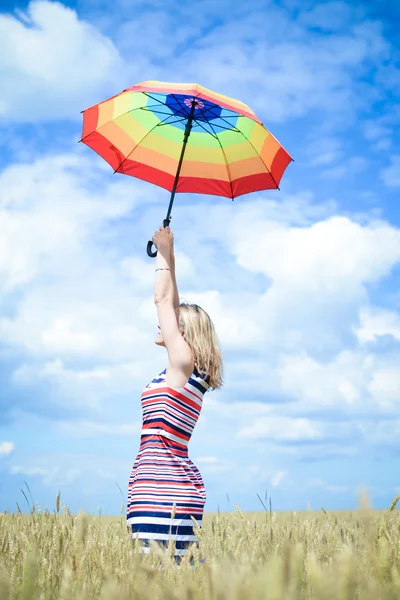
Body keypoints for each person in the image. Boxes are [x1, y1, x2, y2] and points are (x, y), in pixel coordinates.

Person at [127, 225, 223, 564]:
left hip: (161, 491)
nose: (161, 322)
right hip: (160, 487)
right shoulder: (184, 371)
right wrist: (169, 254)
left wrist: (164, 251)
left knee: (158, 580)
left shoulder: (183, 364)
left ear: (183, 334)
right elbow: (171, 301)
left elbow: (164, 300)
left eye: (170, 322)